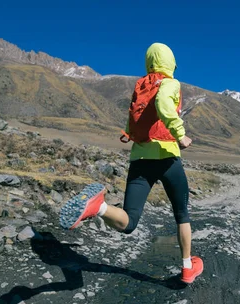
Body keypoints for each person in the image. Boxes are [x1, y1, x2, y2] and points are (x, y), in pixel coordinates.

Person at [59, 42, 203, 284]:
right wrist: (180, 134)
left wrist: (128, 133)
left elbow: (136, 112)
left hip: (140, 158)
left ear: (149, 62)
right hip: (167, 157)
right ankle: (188, 267)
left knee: (129, 221)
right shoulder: (170, 83)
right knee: (182, 214)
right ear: (170, 62)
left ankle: (99, 208)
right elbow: (164, 106)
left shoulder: (142, 85)